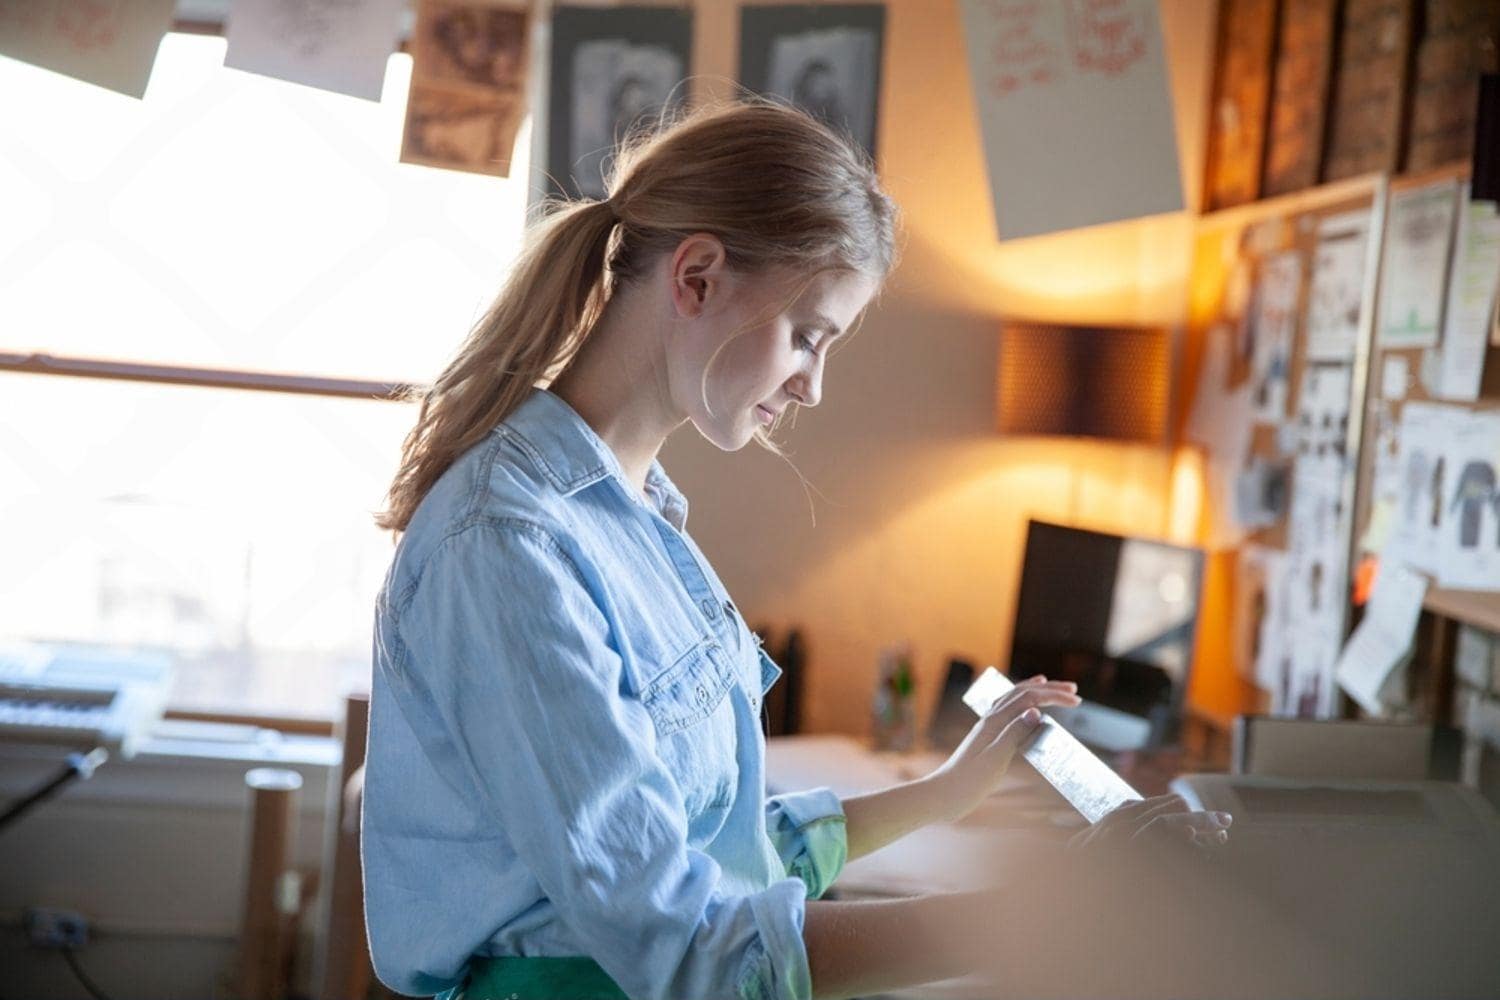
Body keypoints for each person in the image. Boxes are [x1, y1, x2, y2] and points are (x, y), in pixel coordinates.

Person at [362, 99, 1230, 1000]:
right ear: (697, 277)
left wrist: (943, 791)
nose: (812, 385)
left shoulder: (637, 519)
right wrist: (1025, 914)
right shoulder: (510, 546)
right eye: (809, 336)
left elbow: (712, 849)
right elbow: (689, 940)